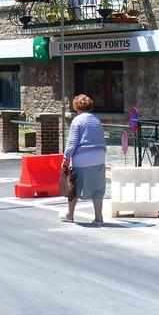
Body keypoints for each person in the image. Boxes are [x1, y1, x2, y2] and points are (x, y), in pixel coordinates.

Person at [61, 93, 107, 224]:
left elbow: (72, 142)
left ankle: (70, 215)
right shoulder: (96, 119)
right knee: (98, 189)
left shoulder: (77, 120)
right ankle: (99, 217)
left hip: (82, 157)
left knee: (74, 186)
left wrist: (66, 158)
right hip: (99, 156)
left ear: (77, 107)